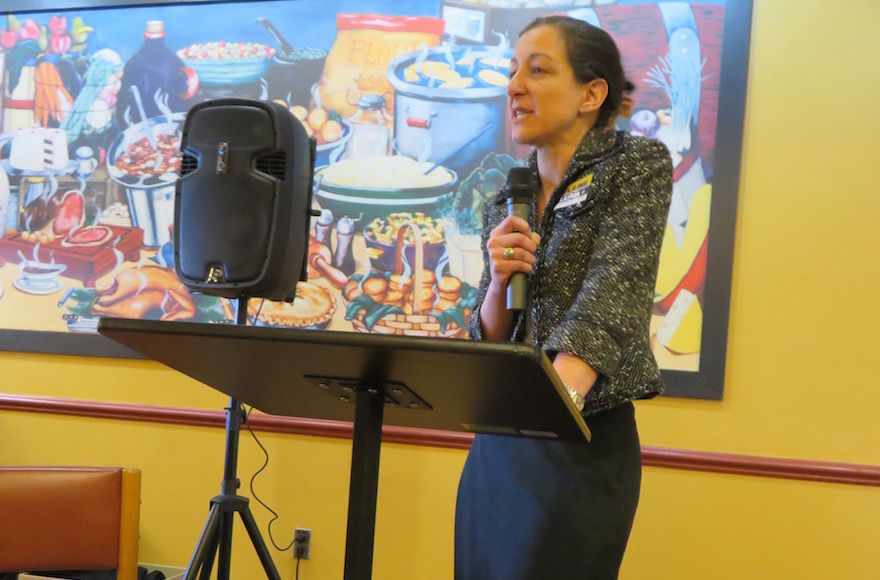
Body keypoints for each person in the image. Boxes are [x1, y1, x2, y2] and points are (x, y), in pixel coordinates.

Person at [454, 16, 673, 580]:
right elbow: (492, 335)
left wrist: (553, 403)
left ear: (591, 94)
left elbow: (613, 290)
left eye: (538, 70)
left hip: (580, 438)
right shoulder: (507, 196)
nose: (513, 86)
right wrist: (500, 283)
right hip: (500, 447)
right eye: (511, 72)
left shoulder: (635, 166)